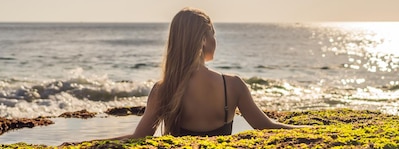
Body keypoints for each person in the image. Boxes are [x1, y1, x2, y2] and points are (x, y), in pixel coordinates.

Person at [113, 7, 303, 140]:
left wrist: (90, 145)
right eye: (213, 34)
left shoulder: (164, 89)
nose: (215, 40)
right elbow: (267, 127)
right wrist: (314, 129)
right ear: (204, 39)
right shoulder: (233, 86)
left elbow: (138, 137)